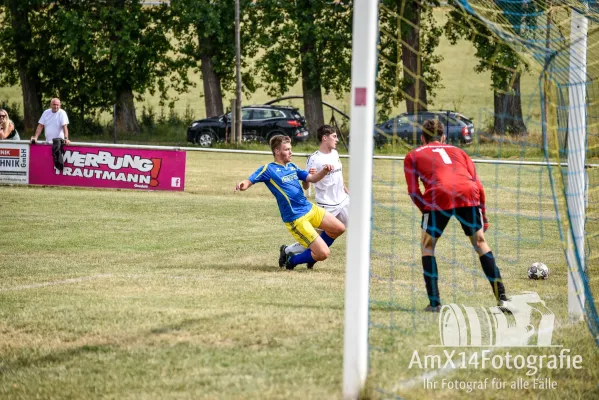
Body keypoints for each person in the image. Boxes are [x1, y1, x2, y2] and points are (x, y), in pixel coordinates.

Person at [403, 119, 508, 312]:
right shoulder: (460, 152)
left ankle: (435, 304)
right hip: (468, 192)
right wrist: (483, 214)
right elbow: (478, 185)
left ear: (422, 137)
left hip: (438, 196)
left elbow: (413, 191)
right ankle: (503, 299)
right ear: (444, 137)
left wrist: (426, 210)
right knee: (480, 243)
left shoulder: (412, 155)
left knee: (427, 247)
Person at [235, 135, 346, 270]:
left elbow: (312, 178)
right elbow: (249, 181)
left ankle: (311, 255)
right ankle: (292, 260)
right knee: (323, 253)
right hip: (296, 218)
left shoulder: (292, 166)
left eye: (290, 149)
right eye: (287, 149)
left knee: (339, 228)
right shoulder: (268, 169)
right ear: (277, 151)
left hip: (309, 208)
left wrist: (324, 171)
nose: (290, 152)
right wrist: (243, 184)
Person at [280, 125, 349, 269]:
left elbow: (338, 176)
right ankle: (289, 252)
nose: (337, 139)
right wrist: (307, 179)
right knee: (312, 241)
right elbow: (306, 185)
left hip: (343, 200)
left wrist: (345, 189)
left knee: (356, 227)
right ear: (325, 138)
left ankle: (313, 257)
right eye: (334, 136)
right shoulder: (314, 159)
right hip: (327, 205)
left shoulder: (335, 153)